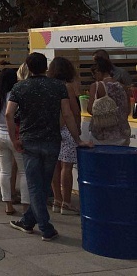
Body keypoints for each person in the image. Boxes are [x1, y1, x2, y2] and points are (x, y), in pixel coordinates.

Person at [7, 52, 89, 242]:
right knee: (42, 186)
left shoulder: (20, 87)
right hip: (52, 140)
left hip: (30, 141)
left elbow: (9, 114)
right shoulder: (58, 86)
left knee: (36, 186)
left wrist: (14, 138)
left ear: (28, 67)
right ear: (45, 67)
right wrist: (78, 139)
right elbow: (68, 114)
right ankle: (28, 222)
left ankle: (45, 227)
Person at [0, 68, 29, 216]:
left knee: (4, 171)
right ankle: (26, 206)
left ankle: (8, 204)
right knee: (23, 172)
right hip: (16, 136)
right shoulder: (15, 96)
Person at [47, 57, 81, 214]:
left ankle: (57, 200)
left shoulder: (48, 86)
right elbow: (74, 110)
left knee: (55, 165)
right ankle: (66, 203)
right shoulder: (67, 87)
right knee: (66, 166)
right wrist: (77, 128)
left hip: (51, 129)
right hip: (67, 129)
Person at [87, 57, 130, 146]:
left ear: (98, 71)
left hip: (102, 135)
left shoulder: (96, 86)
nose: (94, 77)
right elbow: (127, 111)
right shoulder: (123, 87)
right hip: (122, 134)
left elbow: (90, 109)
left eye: (93, 75)